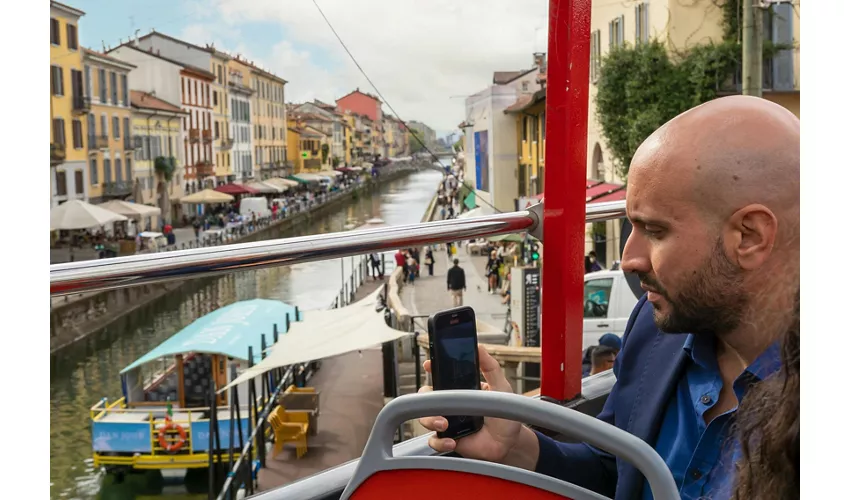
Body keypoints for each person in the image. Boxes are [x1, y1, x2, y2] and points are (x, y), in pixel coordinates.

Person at [417, 96, 800, 500]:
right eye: (630, 226)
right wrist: (514, 445)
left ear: (750, 237)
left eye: (654, 230)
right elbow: (613, 472)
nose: (628, 260)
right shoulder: (655, 330)